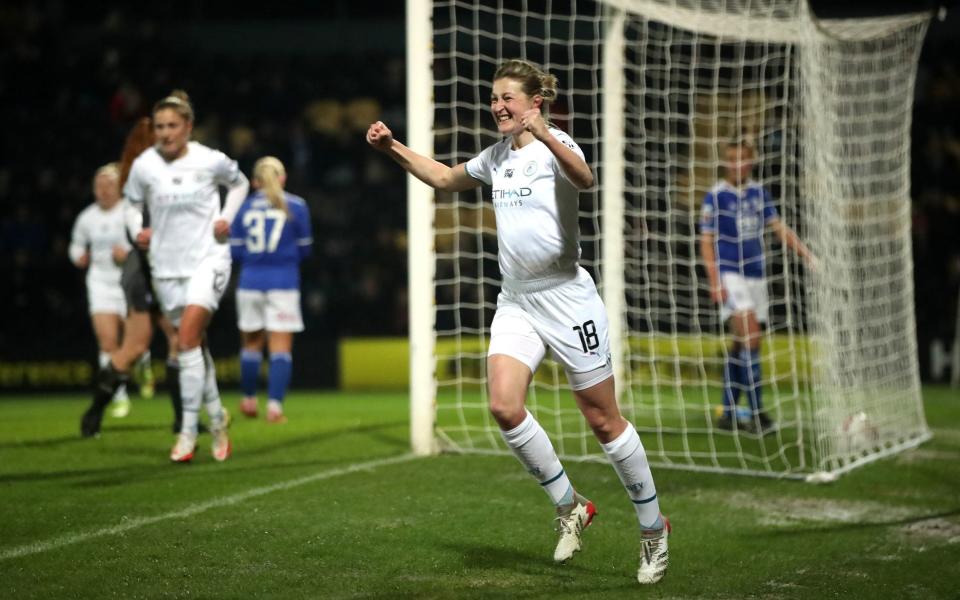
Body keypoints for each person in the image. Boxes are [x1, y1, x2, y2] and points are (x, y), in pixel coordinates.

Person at [366, 59, 670, 585]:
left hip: (568, 298)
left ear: (534, 103)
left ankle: (652, 528)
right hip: (518, 300)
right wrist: (391, 147)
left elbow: (586, 178)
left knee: (602, 420)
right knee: (503, 406)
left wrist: (547, 133)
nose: (498, 107)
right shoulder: (494, 158)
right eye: (494, 98)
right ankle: (570, 504)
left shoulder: (559, 147)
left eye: (508, 98)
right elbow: (442, 176)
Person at [125, 90, 249, 462]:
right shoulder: (144, 165)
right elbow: (132, 204)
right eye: (160, 126)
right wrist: (137, 231)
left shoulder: (210, 160)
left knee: (189, 338)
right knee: (192, 345)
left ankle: (187, 433)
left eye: (172, 126)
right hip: (166, 266)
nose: (165, 133)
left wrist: (226, 216)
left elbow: (240, 183)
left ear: (188, 127)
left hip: (208, 259)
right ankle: (217, 419)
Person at [699, 139, 816, 434]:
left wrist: (808, 256)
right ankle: (757, 413)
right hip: (731, 275)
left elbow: (779, 229)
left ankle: (727, 413)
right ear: (725, 161)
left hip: (756, 275)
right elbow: (706, 242)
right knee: (750, 338)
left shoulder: (759, 194)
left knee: (743, 344)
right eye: (732, 159)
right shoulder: (716, 196)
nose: (737, 165)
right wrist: (715, 281)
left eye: (743, 159)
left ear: (751, 162)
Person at [79, 118, 182, 438]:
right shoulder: (150, 177)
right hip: (152, 266)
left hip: (143, 268)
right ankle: (184, 421)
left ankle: (94, 413)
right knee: (179, 340)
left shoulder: (139, 177)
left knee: (138, 347)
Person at [229, 156, 313, 424]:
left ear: (255, 181)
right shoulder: (297, 206)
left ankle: (248, 399)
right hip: (283, 283)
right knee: (280, 348)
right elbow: (305, 249)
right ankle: (274, 407)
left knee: (251, 345)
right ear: (283, 178)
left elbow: (235, 250)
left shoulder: (243, 208)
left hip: (250, 282)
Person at [69, 163, 135, 420]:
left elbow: (145, 244)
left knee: (133, 343)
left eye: (109, 185)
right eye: (99, 186)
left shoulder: (130, 212)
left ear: (120, 187)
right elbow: (75, 246)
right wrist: (79, 257)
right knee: (107, 342)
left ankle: (144, 363)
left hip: (128, 283)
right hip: (100, 283)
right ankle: (118, 396)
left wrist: (127, 254)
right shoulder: (87, 217)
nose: (104, 191)